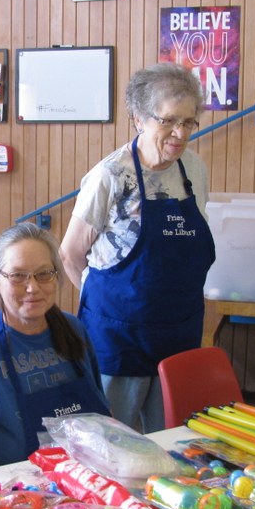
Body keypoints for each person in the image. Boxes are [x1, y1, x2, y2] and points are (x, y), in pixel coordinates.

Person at [59, 62, 215, 434]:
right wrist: (113, 306)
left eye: (189, 122)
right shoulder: (110, 176)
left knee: (174, 438)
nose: (180, 133)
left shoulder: (193, 169)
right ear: (139, 119)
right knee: (115, 442)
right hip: (119, 337)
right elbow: (70, 253)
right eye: (169, 121)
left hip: (178, 331)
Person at [0, 222, 110, 472]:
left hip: (81, 478)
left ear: (56, 277)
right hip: (12, 489)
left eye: (44, 273)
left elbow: (99, 417)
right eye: (17, 275)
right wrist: (15, 496)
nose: (32, 287)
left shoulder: (74, 329)